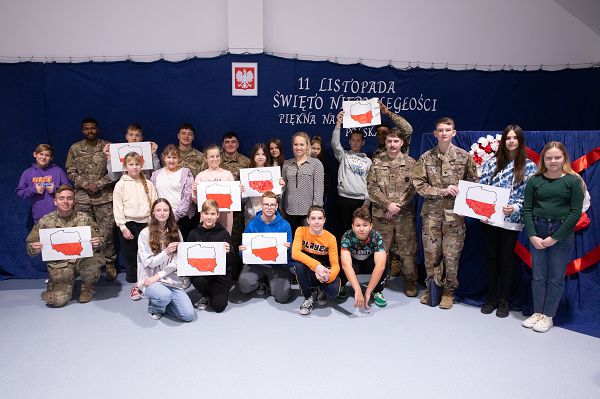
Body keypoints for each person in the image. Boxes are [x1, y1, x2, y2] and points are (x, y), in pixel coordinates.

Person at [412, 117, 478, 309]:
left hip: (455, 217)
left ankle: (449, 292)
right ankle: (432, 289)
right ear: (435, 133)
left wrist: (461, 191)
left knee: (451, 256)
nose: (443, 133)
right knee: (431, 255)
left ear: (454, 133)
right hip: (432, 215)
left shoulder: (464, 157)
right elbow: (418, 184)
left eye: (447, 130)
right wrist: (441, 191)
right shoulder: (425, 158)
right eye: (440, 130)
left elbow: (473, 183)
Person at [521, 141, 584, 333]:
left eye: (557, 157)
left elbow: (575, 213)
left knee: (555, 277)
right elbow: (527, 209)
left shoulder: (573, 181)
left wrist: (555, 238)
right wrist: (532, 235)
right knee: (539, 276)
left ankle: (548, 316)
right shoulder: (534, 180)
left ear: (564, 158)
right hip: (537, 229)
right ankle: (537, 311)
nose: (553, 161)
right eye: (549, 158)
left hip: (561, 232)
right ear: (543, 160)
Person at [479, 125, 537, 317]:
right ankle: (491, 297)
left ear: (520, 141)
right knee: (490, 258)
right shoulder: (490, 164)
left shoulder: (528, 166)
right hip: (490, 219)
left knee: (506, 260)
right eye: (508, 138)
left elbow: (529, 195)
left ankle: (504, 300)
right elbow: (483, 189)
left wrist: (515, 207)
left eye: (515, 138)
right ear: (503, 141)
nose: (511, 141)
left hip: (511, 220)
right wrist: (483, 209)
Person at [26, 185, 104, 307]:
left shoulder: (85, 219)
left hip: (80, 261)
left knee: (97, 259)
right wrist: (34, 248)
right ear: (55, 201)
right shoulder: (45, 221)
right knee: (57, 301)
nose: (66, 202)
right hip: (61, 266)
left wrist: (98, 242)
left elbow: (100, 240)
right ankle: (56, 284)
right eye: (61, 198)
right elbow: (30, 246)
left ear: (74, 201)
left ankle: (87, 287)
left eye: (69, 198)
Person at [367, 127, 419, 297]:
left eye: (396, 141)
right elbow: (371, 187)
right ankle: (379, 280)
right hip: (382, 215)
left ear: (402, 143)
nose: (392, 144)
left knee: (407, 250)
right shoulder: (376, 162)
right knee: (381, 250)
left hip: (404, 216)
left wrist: (397, 206)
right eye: (389, 141)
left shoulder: (411, 163)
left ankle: (410, 280)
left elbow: (413, 188)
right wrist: (387, 204)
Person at [65, 117, 117, 281]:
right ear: (82, 131)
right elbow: (70, 171)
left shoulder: (108, 147)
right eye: (87, 129)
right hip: (82, 198)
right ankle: (86, 265)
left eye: (93, 128)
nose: (90, 131)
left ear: (97, 129)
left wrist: (100, 184)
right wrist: (85, 184)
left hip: (104, 198)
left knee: (107, 232)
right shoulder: (75, 148)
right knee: (84, 233)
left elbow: (116, 170)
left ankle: (109, 263)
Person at [137, 198, 194, 322]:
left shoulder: (176, 232)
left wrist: (159, 275)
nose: (162, 213)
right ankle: (155, 307)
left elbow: (178, 261)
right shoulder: (144, 234)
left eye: (165, 210)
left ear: (169, 213)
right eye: (158, 210)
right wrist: (166, 252)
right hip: (150, 279)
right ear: (153, 213)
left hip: (170, 278)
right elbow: (150, 263)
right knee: (164, 295)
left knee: (188, 315)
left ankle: (165, 303)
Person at [113, 152, 158, 300]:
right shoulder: (120, 185)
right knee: (131, 255)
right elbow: (117, 207)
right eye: (131, 164)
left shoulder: (148, 183)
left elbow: (155, 204)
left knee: (147, 254)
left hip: (146, 224)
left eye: (137, 164)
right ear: (125, 167)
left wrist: (153, 223)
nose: (134, 167)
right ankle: (134, 283)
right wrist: (123, 227)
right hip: (128, 224)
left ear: (141, 166)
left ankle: (149, 281)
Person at [238, 191, 293, 303]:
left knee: (282, 298)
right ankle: (262, 281)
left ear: (276, 206)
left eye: (272, 205)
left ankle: (271, 282)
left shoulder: (285, 225)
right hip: (256, 264)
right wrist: (242, 251)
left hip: (278, 265)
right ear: (261, 205)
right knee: (244, 286)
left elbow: (290, 253)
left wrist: (288, 248)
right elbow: (243, 251)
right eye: (266, 204)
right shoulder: (252, 224)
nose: (269, 207)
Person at [187, 200, 235, 313]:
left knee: (219, 306)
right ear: (201, 215)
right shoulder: (193, 234)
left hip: (220, 276)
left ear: (218, 215)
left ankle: (214, 293)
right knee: (198, 281)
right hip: (201, 274)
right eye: (206, 213)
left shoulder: (224, 234)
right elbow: (188, 258)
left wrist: (228, 252)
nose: (209, 217)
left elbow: (231, 261)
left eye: (212, 214)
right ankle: (205, 294)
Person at [291, 206, 340, 315]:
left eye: (320, 218)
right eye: (313, 218)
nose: (316, 222)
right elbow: (295, 253)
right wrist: (316, 266)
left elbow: (336, 265)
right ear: (308, 220)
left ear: (324, 220)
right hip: (309, 271)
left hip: (323, 272)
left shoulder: (331, 238)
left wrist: (328, 276)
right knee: (298, 265)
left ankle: (321, 289)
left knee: (333, 291)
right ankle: (308, 298)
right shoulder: (301, 231)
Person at [331, 111, 372, 237]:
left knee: (360, 232)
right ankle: (345, 255)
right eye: (352, 140)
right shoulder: (344, 156)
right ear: (349, 141)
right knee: (345, 231)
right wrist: (338, 123)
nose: (355, 143)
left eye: (358, 140)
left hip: (360, 201)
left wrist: (367, 203)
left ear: (363, 142)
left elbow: (370, 184)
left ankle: (358, 256)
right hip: (344, 199)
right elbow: (335, 143)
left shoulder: (368, 161)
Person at [339, 207, 389, 309]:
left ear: (371, 226)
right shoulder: (347, 236)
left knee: (385, 260)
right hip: (354, 264)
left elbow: (380, 266)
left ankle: (377, 291)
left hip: (368, 264)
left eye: (365, 225)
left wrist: (368, 291)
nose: (361, 229)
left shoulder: (376, 236)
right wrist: (358, 290)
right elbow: (346, 265)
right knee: (341, 261)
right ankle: (342, 284)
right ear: (353, 226)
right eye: (358, 225)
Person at [282, 132, 325, 234]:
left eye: (301, 144)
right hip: (289, 210)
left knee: (307, 245)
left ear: (307, 146)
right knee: (291, 243)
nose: (298, 147)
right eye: (296, 144)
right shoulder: (286, 164)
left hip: (308, 213)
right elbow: (283, 188)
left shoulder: (316, 164)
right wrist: (281, 208)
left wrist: (315, 213)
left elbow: (318, 190)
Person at [16, 144, 70, 224]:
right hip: (39, 217)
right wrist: (34, 189)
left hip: (60, 215)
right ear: (35, 154)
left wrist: (56, 189)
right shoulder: (27, 173)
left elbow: (69, 189)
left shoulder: (58, 171)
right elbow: (19, 192)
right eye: (41, 154)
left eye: (47, 155)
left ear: (51, 158)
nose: (43, 157)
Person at [150, 145, 195, 239]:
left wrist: (175, 217)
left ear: (179, 158)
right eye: (168, 157)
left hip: (182, 219)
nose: (171, 160)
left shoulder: (186, 172)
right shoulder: (156, 174)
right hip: (161, 217)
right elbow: (152, 196)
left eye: (174, 157)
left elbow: (188, 196)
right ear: (164, 158)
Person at [220, 132, 251, 257]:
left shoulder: (246, 162)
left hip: (238, 210)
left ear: (238, 144)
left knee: (236, 241)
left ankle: (236, 273)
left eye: (233, 142)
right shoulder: (216, 160)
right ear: (222, 145)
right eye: (227, 142)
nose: (230, 144)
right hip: (219, 208)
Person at [193, 145, 234, 234]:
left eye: (217, 156)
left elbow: (234, 199)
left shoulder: (227, 174)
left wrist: (238, 190)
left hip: (225, 216)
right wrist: (195, 191)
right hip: (207, 216)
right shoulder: (201, 176)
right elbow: (196, 201)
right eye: (211, 156)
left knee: (224, 241)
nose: (215, 159)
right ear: (206, 158)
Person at [310, 135, 330, 202]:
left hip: (319, 194)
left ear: (321, 150)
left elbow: (325, 181)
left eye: (318, 149)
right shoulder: (304, 160)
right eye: (313, 148)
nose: (315, 151)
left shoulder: (323, 163)